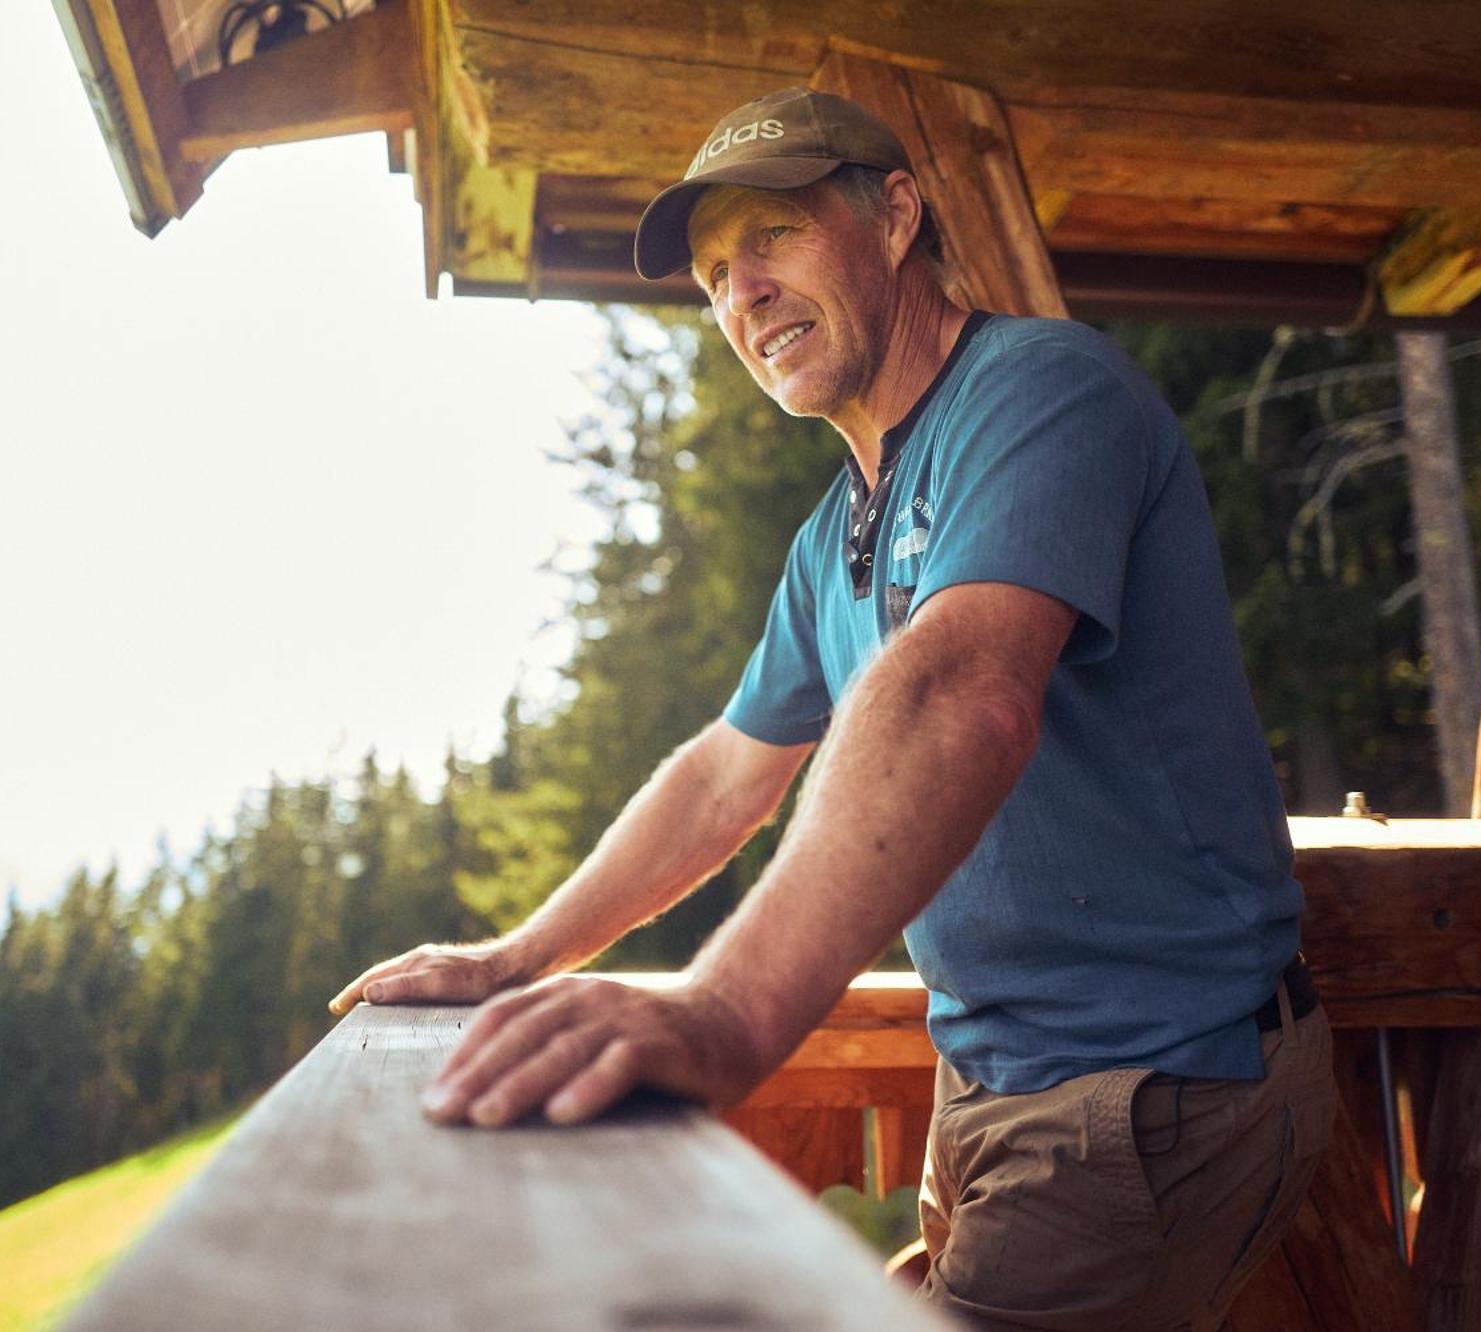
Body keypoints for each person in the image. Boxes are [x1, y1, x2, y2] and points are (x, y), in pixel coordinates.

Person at [330, 86, 1335, 1328]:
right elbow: (724, 776)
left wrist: (722, 1013)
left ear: (896, 215)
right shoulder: (832, 533)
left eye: (771, 236)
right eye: (708, 275)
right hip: (992, 1085)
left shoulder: (1040, 392)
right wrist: (512, 958)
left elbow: (959, 692)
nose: (738, 294)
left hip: (1150, 1083)